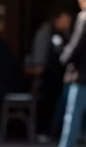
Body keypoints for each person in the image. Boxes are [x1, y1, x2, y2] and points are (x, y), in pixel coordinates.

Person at [45, 0, 86, 147]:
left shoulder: (84, 18)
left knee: (72, 114)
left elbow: (76, 46)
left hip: (82, 75)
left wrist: (63, 56)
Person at [30, 8, 73, 139]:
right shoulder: (47, 32)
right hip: (48, 74)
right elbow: (41, 53)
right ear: (57, 20)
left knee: (58, 104)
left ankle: (54, 131)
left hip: (61, 75)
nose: (67, 23)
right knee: (46, 102)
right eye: (64, 20)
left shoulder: (65, 33)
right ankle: (43, 131)